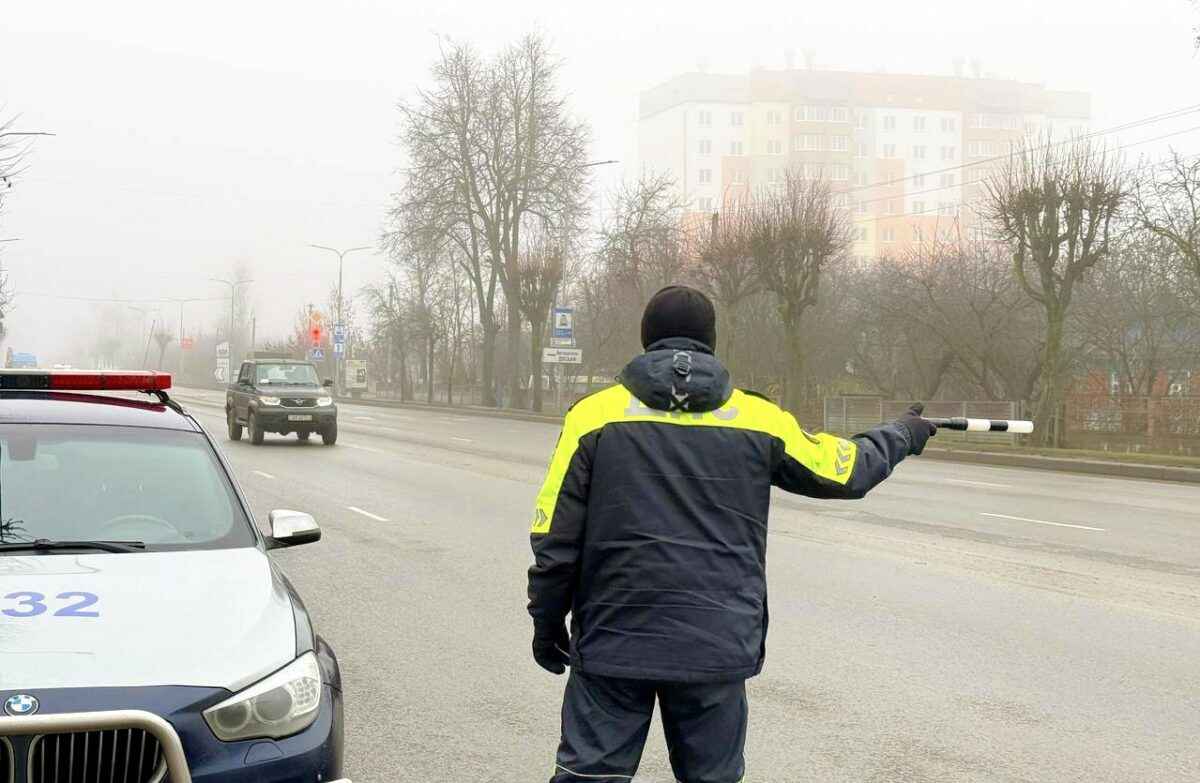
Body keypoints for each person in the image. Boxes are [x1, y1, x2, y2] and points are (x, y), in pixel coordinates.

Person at [527, 285, 936, 783]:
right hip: (715, 642)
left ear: (644, 339)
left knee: (590, 778)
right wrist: (902, 433)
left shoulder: (593, 416)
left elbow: (554, 537)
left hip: (614, 639)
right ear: (712, 343)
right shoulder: (758, 418)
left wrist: (548, 622)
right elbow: (845, 470)